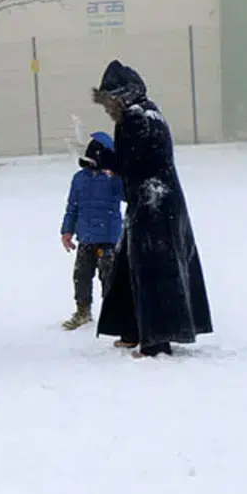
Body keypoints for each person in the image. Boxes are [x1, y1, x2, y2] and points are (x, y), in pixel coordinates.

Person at [89, 59, 212, 357]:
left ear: (120, 95)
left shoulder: (134, 117)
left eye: (108, 101)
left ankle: (155, 340)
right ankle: (132, 329)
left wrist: (100, 156)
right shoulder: (151, 112)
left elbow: (128, 163)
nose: (107, 109)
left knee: (152, 269)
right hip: (161, 200)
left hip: (152, 205)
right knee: (131, 265)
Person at [59, 132, 125, 330]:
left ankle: (114, 314)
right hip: (86, 237)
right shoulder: (79, 179)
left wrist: (116, 175)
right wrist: (67, 231)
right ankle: (83, 311)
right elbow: (72, 207)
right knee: (81, 276)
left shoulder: (114, 179)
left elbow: (126, 195)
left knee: (109, 277)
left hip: (108, 238)